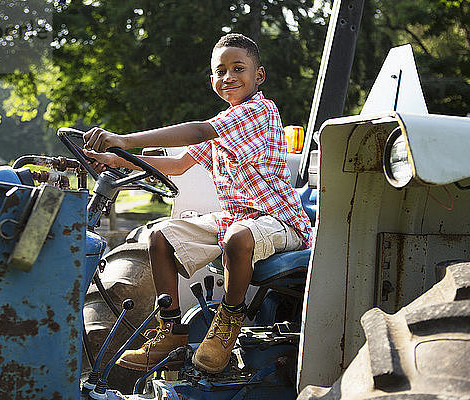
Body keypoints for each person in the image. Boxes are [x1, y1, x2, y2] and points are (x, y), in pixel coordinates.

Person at [83, 33, 312, 374]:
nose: (229, 76)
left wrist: (124, 139)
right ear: (212, 79)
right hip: (235, 217)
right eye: (221, 71)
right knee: (160, 237)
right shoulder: (226, 125)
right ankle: (171, 333)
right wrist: (116, 159)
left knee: (238, 237)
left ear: (258, 76)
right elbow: (177, 165)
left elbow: (199, 132)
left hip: (277, 219)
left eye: (239, 68)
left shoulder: (260, 111)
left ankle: (227, 326)